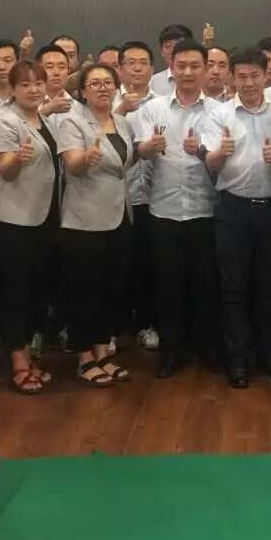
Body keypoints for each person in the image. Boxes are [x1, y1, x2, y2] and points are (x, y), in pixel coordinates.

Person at [201, 48, 271, 387]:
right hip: (233, 210)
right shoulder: (219, 115)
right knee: (234, 288)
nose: (249, 83)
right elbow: (210, 164)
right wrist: (219, 154)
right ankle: (238, 359)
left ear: (267, 76)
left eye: (255, 76)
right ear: (231, 78)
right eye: (241, 76)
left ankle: (270, 355)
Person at [134, 40, 220, 377]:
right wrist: (150, 146)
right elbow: (139, 151)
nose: (187, 72)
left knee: (206, 285)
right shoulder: (153, 109)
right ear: (171, 69)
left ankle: (206, 348)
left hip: (206, 211)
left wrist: (203, 151)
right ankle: (171, 352)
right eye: (181, 66)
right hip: (164, 211)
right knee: (168, 286)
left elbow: (225, 160)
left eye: (195, 66)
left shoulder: (219, 111)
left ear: (206, 69)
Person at [60, 63, 137, 387]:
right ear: (83, 91)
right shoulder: (72, 121)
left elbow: (126, 163)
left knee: (111, 288)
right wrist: (85, 160)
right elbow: (72, 165)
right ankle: (84, 358)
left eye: (108, 82)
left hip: (119, 216)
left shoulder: (122, 122)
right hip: (84, 220)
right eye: (95, 83)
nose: (103, 88)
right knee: (84, 291)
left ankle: (103, 352)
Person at [0, 60, 59, 394]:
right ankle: (18, 362)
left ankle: (29, 355)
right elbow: (4, 170)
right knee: (15, 291)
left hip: (45, 217)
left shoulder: (44, 119)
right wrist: (17, 158)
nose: (33, 90)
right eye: (25, 84)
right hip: (15, 220)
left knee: (36, 290)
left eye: (38, 83)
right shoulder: (5, 120)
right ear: (13, 90)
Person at [115, 40, 160, 351]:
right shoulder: (106, 101)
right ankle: (114, 326)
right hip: (119, 197)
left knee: (148, 264)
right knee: (118, 265)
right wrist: (120, 111)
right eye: (130, 63)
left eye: (143, 62)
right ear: (120, 69)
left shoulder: (163, 103)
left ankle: (146, 323)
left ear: (152, 69)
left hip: (154, 197)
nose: (137, 68)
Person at [150, 23, 194, 96]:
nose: (173, 51)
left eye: (178, 45)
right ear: (162, 52)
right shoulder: (152, 82)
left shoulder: (202, 80)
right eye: (168, 46)